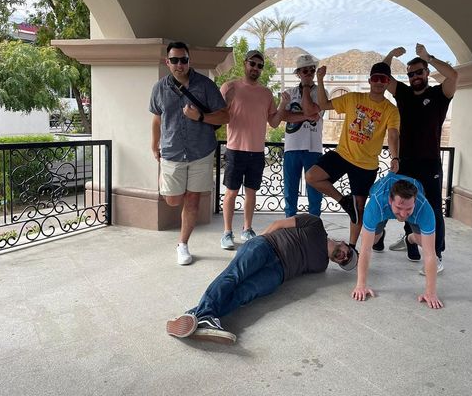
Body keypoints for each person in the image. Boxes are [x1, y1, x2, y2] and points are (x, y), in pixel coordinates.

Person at [165, 214, 357, 344]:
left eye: (345, 262)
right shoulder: (316, 224)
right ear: (344, 243)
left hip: (278, 274)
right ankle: (204, 315)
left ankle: (193, 316)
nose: (344, 257)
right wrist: (256, 242)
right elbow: (279, 224)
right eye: (348, 253)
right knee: (233, 277)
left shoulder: (321, 265)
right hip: (267, 246)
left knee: (244, 294)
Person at [305, 62, 400, 250]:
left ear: (388, 82)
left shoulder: (391, 110)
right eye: (375, 78)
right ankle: (344, 201)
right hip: (342, 154)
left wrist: (394, 157)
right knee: (311, 176)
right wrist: (320, 80)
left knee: (359, 209)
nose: (379, 82)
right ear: (369, 80)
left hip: (366, 164)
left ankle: (352, 246)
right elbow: (323, 104)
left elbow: (393, 134)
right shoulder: (353, 98)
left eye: (383, 79)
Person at [150, 41, 229, 265]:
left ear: (188, 61)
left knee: (192, 201)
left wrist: (200, 117)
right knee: (174, 200)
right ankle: (174, 186)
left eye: (183, 59)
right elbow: (157, 118)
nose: (179, 64)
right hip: (172, 152)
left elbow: (225, 116)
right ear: (167, 62)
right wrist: (154, 144)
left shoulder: (205, 86)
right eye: (174, 60)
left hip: (200, 152)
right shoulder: (159, 88)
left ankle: (183, 244)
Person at [381, 44, 458, 271]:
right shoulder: (403, 93)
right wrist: (390, 55)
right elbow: (383, 75)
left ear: (426, 73)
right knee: (406, 204)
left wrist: (428, 57)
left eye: (419, 72)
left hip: (430, 162)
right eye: (411, 74)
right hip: (405, 162)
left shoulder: (439, 94)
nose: (415, 77)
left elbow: (454, 75)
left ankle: (437, 254)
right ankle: (411, 243)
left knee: (433, 208)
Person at [219, 50, 283, 250]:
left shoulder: (265, 93)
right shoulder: (230, 87)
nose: (256, 68)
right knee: (231, 193)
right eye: (252, 64)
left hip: (256, 151)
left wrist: (284, 105)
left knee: (251, 193)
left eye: (260, 65)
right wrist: (226, 103)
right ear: (245, 64)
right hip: (235, 149)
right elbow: (219, 115)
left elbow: (273, 122)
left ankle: (247, 229)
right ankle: (227, 233)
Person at [352, 173, 443, 309]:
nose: (403, 214)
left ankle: (410, 238)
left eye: (408, 209)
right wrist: (360, 285)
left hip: (414, 200)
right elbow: (365, 249)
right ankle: (380, 233)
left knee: (425, 243)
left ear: (415, 202)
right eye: (399, 208)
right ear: (390, 201)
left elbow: (430, 254)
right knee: (372, 240)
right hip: (381, 206)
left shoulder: (424, 208)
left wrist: (431, 293)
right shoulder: (376, 204)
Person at [281, 54, 324, 218]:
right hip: (292, 147)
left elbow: (309, 109)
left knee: (315, 190)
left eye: (312, 70)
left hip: (313, 148)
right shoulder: (289, 92)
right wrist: (306, 116)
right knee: (290, 189)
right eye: (305, 70)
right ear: (298, 73)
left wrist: (306, 88)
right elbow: (284, 116)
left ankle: (314, 224)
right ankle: (290, 223)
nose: (309, 73)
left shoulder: (322, 92)